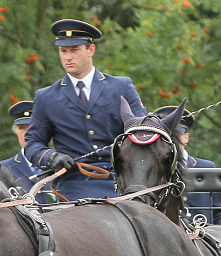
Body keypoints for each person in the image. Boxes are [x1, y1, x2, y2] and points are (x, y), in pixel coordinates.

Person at [24, 18, 146, 200]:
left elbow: (141, 133)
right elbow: (32, 143)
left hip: (123, 180)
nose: (68, 57)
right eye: (63, 51)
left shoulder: (121, 86)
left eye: (74, 50)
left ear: (91, 50)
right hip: (74, 184)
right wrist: (51, 157)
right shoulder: (46, 97)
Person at [153, 104, 221, 227]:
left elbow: (220, 213)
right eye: (167, 136)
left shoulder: (206, 168)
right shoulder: (153, 170)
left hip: (202, 237)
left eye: (176, 135)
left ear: (186, 138)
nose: (172, 140)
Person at [0, 101, 56, 204]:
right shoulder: (3, 169)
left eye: (32, 126)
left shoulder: (60, 163)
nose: (27, 133)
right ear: (16, 131)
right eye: (21, 128)